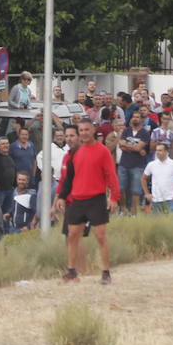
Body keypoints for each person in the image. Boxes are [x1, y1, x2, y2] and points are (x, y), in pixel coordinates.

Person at [53, 121, 119, 285]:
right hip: (77, 200)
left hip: (96, 198)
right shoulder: (74, 152)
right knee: (72, 235)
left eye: (86, 130)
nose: (83, 133)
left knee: (100, 236)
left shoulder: (103, 151)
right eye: (81, 130)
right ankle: (71, 272)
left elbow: (111, 176)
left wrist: (114, 198)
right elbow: (68, 178)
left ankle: (105, 273)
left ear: (93, 130)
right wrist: (61, 197)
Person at [142, 142, 173, 214]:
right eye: (157, 150)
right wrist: (146, 193)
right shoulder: (151, 164)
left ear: (166, 152)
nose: (157, 152)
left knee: (172, 221)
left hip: (170, 199)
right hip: (156, 199)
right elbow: (143, 178)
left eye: (160, 150)